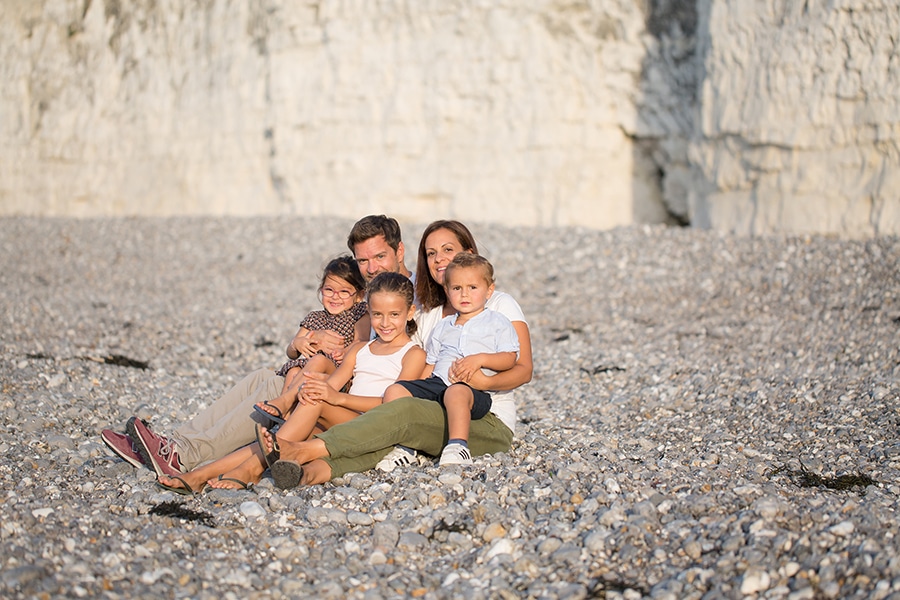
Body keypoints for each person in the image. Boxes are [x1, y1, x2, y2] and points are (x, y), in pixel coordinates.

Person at [99, 215, 412, 477]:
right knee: (263, 378)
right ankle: (175, 443)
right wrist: (306, 342)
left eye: (379, 257)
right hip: (330, 376)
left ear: (399, 251)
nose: (371, 268)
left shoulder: (411, 301)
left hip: (348, 394)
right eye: (363, 261)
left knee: (274, 390)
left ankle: (182, 457)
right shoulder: (371, 294)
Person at [263, 219, 533, 487]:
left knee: (401, 415)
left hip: (487, 419)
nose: (439, 259)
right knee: (393, 413)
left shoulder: (498, 305)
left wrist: (483, 380)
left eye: (448, 250)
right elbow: (425, 368)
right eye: (431, 253)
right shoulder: (433, 313)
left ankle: (303, 451)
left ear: (469, 254)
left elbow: (522, 369)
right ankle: (307, 474)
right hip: (438, 405)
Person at [154, 272, 426, 493]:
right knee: (302, 407)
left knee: (311, 405)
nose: (384, 322)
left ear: (410, 312)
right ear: (369, 310)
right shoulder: (360, 350)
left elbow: (393, 408)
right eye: (377, 314)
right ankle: (200, 474)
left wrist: (336, 398)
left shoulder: (412, 354)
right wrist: (317, 387)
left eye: (394, 315)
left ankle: (248, 470)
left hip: (373, 426)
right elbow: (333, 383)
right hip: (343, 419)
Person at [382, 253, 518, 466]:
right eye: (457, 288)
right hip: (438, 383)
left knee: (456, 392)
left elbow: (509, 358)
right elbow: (432, 364)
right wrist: (417, 387)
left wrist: (480, 360)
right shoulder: (444, 326)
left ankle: (458, 446)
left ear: (489, 291)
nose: (464, 294)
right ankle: (405, 447)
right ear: (447, 290)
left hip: (473, 392)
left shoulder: (497, 322)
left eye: (472, 288)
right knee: (395, 390)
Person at [253, 255, 369, 426]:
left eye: (344, 292)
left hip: (338, 372)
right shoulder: (315, 318)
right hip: (309, 369)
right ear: (321, 290)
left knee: (319, 359)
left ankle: (284, 402)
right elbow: (291, 352)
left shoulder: (359, 313)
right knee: (293, 372)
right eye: (329, 290)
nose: (335, 297)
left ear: (359, 295)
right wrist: (297, 344)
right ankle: (284, 420)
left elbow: (362, 340)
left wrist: (345, 351)